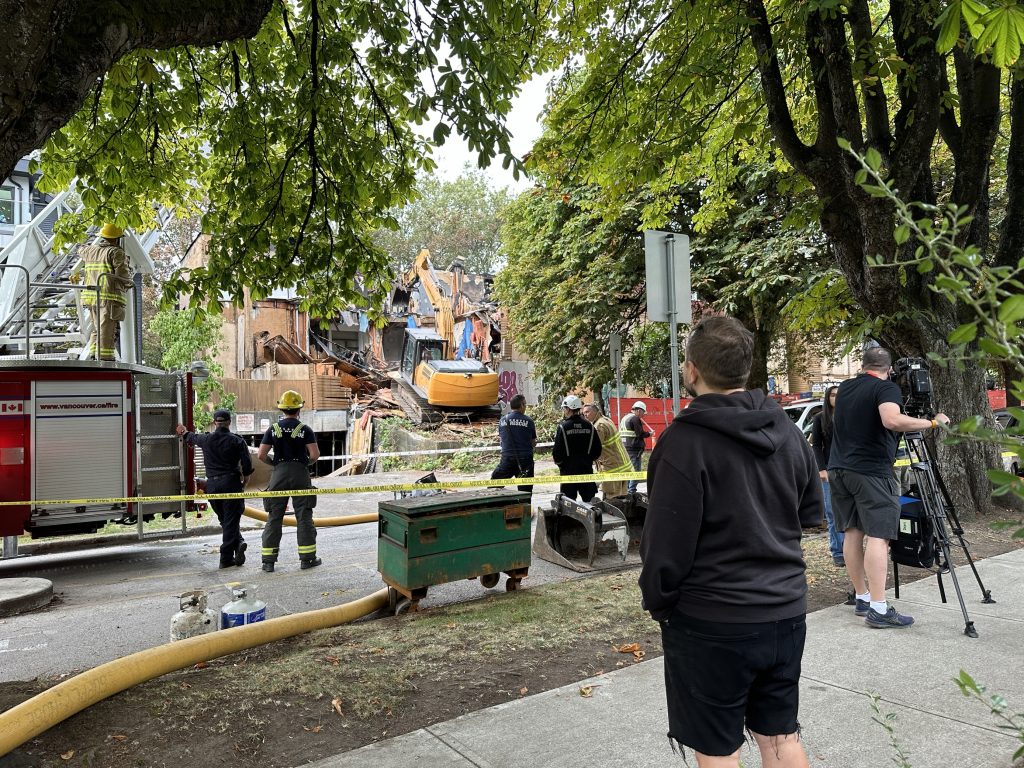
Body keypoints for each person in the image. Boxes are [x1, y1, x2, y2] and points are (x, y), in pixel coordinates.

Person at [639, 315, 822, 768]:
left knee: (718, 747)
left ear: (692, 370)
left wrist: (660, 602)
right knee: (781, 737)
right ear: (745, 368)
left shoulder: (682, 443)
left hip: (713, 620)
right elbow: (811, 513)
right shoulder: (787, 431)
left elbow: (665, 546)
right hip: (784, 612)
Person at [829, 346, 950, 628]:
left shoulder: (845, 388)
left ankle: (862, 596)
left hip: (840, 469)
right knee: (879, 536)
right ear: (889, 370)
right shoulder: (886, 389)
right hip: (870, 472)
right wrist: (933, 422)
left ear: (862, 365)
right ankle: (879, 608)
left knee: (852, 532)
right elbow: (891, 420)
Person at [176, 409, 254, 568]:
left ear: (214, 423)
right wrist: (244, 482)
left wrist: (183, 432)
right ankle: (226, 559)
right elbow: (247, 466)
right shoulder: (237, 441)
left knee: (226, 520)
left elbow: (190, 437)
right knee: (231, 520)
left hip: (212, 486)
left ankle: (239, 543)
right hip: (231, 484)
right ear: (229, 423)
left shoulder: (206, 439)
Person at [258, 389, 322, 572]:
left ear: (282, 409)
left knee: (274, 517)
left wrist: (276, 465)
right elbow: (315, 454)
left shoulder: (273, 429)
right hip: (300, 473)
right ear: (299, 409)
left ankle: (268, 562)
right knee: (304, 516)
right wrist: (304, 464)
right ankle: (307, 559)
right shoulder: (305, 430)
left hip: (278, 473)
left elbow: (261, 455)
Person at [79, 223, 134, 361]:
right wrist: (129, 280)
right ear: (117, 239)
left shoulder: (89, 251)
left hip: (91, 298)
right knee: (107, 330)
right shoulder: (116, 252)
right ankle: (105, 359)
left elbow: (80, 250)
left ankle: (93, 353)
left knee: (97, 328)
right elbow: (123, 275)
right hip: (109, 298)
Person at [810, 385, 845, 567]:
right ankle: (838, 551)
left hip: (848, 470)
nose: (835, 398)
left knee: (848, 513)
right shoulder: (820, 418)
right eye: (832, 395)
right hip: (829, 470)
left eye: (839, 395)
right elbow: (816, 445)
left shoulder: (849, 417)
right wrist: (821, 469)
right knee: (832, 512)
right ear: (827, 397)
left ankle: (849, 550)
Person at [551, 394, 602, 502]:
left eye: (564, 408)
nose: (564, 411)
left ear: (569, 409)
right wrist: (588, 460)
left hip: (568, 472)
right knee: (590, 504)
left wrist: (561, 464)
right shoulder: (589, 426)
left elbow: (557, 452)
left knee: (569, 505)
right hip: (586, 470)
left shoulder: (563, 427)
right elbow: (597, 449)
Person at [582, 402, 632, 498]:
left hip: (611, 467)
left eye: (587, 412)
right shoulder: (606, 420)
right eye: (584, 413)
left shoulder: (599, 426)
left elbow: (595, 448)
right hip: (620, 464)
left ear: (595, 412)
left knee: (612, 497)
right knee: (620, 495)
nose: (585, 415)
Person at [491, 394, 537, 496]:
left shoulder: (503, 420)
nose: (525, 407)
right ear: (521, 405)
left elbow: (503, 439)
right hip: (525, 461)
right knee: (525, 491)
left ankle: (494, 506)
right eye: (525, 404)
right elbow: (533, 442)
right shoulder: (529, 421)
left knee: (494, 485)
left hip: (507, 460)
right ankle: (524, 509)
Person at [620, 400, 652, 493]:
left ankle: (627, 490)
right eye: (643, 412)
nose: (643, 415)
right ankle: (632, 491)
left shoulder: (625, 418)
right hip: (634, 448)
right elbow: (640, 433)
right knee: (635, 471)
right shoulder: (635, 418)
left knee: (629, 470)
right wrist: (649, 434)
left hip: (626, 448)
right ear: (638, 410)